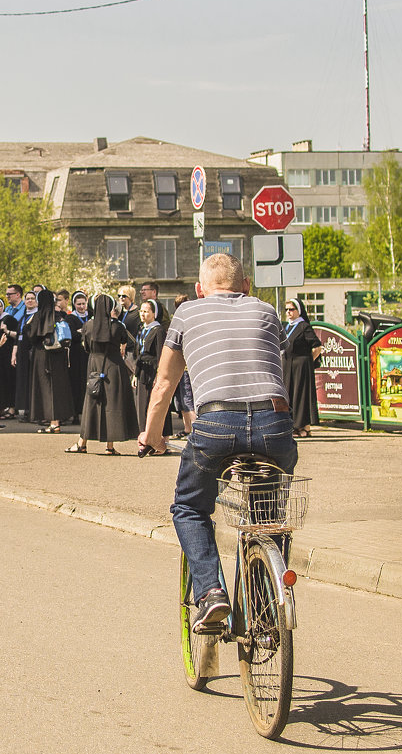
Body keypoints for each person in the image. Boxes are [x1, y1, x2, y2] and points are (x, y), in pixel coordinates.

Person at [138, 253, 297, 632]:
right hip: (275, 424)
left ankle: (211, 593)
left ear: (199, 290)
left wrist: (153, 436)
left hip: (216, 422)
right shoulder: (266, 310)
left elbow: (163, 386)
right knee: (267, 517)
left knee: (189, 507)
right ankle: (262, 609)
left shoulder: (187, 315)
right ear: (246, 286)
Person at [65, 294, 140, 455]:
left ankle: (82, 443)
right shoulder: (117, 326)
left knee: (91, 402)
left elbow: (86, 346)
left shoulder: (88, 326)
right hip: (114, 366)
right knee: (112, 404)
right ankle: (109, 446)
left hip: (94, 364)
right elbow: (124, 341)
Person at [27, 289, 74, 433]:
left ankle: (53, 423)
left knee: (46, 389)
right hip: (58, 357)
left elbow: (31, 335)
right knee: (57, 389)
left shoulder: (38, 316)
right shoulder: (60, 316)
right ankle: (57, 420)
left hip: (42, 356)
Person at [134, 299, 172, 445]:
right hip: (143, 370)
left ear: (154, 313)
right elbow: (138, 352)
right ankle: (146, 438)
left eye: (146, 311)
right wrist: (135, 374)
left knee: (158, 403)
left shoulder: (159, 330)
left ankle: (164, 439)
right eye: (141, 311)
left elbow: (161, 354)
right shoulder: (142, 329)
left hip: (154, 370)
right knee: (143, 405)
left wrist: (159, 374)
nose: (142, 314)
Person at [282, 297, 322, 437]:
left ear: (298, 311)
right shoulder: (287, 326)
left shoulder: (303, 326)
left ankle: (305, 427)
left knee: (301, 396)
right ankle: (294, 426)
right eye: (286, 310)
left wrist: (309, 361)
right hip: (288, 366)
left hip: (301, 365)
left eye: (291, 309)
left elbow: (317, 346)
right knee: (291, 395)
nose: (288, 312)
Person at [170, 293, 196, 438]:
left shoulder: (184, 321)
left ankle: (196, 429)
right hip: (182, 367)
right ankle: (187, 429)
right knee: (181, 400)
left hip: (185, 367)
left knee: (187, 400)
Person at [12, 289, 38, 420]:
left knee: (32, 380)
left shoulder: (38, 316)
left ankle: (33, 410)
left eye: (32, 298)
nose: (30, 301)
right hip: (21, 351)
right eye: (27, 299)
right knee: (23, 380)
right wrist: (14, 354)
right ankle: (26, 409)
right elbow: (17, 337)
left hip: (32, 351)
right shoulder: (22, 317)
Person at [66, 290, 90, 424]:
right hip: (76, 355)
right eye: (78, 304)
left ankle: (86, 413)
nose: (81, 306)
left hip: (88, 354)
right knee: (76, 383)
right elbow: (72, 336)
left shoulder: (91, 316)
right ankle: (75, 414)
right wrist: (84, 332)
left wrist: (81, 332)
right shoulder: (71, 318)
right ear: (74, 304)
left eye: (83, 303)